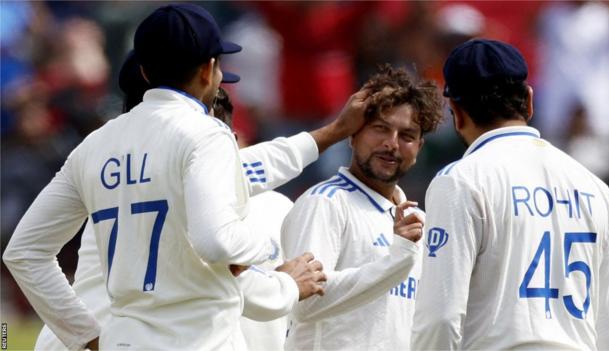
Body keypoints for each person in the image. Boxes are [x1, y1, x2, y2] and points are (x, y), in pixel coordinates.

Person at [2, 4, 368, 350]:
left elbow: (24, 251)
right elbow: (217, 241)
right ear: (209, 70)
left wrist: (85, 337)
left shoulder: (95, 146)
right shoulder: (205, 135)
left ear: (144, 71)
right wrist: (267, 254)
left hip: (120, 339)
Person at [31, 57, 325, 351]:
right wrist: (286, 284)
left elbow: (26, 253)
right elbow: (240, 287)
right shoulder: (248, 202)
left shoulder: (113, 181)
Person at [410, 39, 609, 350]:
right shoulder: (594, 187)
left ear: (455, 111)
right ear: (529, 100)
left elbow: (441, 317)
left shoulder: (460, 180)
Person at [281, 64, 443, 350]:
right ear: (353, 135)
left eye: (406, 136)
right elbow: (303, 303)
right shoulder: (326, 202)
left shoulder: (419, 223)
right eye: (380, 129)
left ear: (418, 148)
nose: (391, 144)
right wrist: (394, 260)